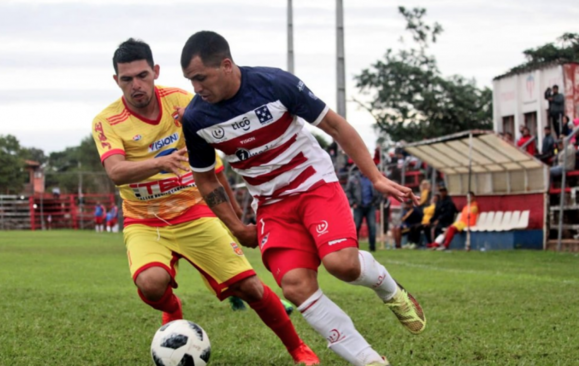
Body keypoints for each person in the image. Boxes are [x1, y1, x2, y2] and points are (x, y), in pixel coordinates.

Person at [179, 31, 425, 366]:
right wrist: (237, 226)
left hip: (314, 185)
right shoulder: (196, 118)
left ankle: (390, 289)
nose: (196, 89)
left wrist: (377, 178)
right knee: (295, 285)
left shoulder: (275, 84)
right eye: (191, 81)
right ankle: (369, 361)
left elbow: (336, 127)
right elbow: (205, 176)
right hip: (271, 205)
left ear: (225, 65)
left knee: (342, 265)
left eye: (200, 78)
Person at [91, 38, 318, 365]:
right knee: (151, 283)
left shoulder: (183, 102)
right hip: (145, 220)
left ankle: (299, 349)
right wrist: (160, 162)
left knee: (251, 289)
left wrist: (237, 220)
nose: (136, 85)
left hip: (194, 212)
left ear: (155, 71)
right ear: (116, 81)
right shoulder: (106, 120)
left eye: (142, 75)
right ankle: (172, 309)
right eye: (126, 79)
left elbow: (213, 166)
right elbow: (115, 171)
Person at [345, 166, 382, 251]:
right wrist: (353, 203)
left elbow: (380, 191)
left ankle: (372, 247)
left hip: (370, 206)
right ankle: (354, 247)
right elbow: (347, 192)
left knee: (372, 227)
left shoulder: (373, 179)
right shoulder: (353, 179)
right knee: (356, 227)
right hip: (358, 206)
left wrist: (376, 203)